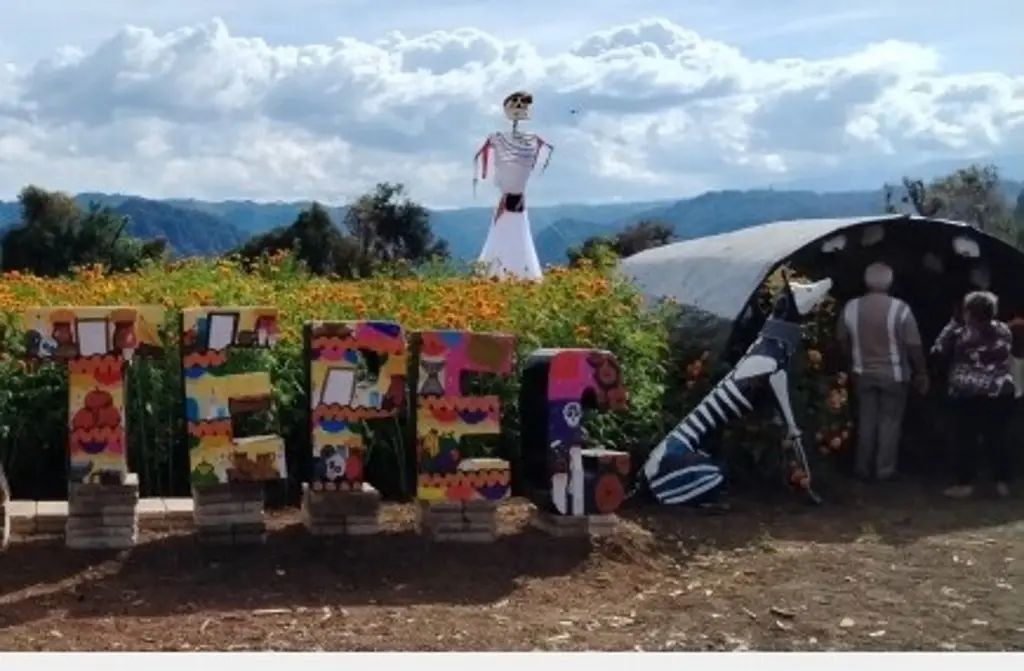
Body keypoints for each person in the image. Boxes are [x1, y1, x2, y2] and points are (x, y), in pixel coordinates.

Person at [837, 262, 929, 481]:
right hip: (894, 375)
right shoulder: (901, 309)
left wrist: (850, 360)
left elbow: (841, 337)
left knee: (866, 420)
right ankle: (884, 470)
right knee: (889, 422)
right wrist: (922, 372)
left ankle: (862, 466)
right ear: (890, 282)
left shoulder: (851, 307)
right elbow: (913, 344)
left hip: (862, 373)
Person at [931, 291, 1015, 499]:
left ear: (968, 312)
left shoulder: (962, 333)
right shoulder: (1004, 330)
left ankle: (964, 483)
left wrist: (951, 324)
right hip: (999, 391)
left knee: (965, 439)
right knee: (998, 438)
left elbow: (938, 350)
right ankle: (1001, 482)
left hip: (967, 393)